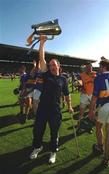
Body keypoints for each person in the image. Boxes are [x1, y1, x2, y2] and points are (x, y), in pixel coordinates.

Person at [30, 36, 74, 164]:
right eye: (50, 65)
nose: (52, 67)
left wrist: (70, 106)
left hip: (55, 109)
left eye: (54, 65)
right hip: (43, 108)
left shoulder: (63, 80)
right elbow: (42, 58)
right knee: (38, 130)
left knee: (54, 132)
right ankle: (38, 147)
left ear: (59, 66)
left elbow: (67, 94)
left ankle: (53, 151)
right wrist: (42, 43)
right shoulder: (46, 74)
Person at [88, 58, 109, 167]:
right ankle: (107, 158)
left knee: (98, 127)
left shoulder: (99, 78)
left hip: (104, 107)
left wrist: (91, 111)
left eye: (101, 66)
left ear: (104, 67)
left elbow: (94, 97)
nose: (99, 68)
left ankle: (100, 146)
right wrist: (107, 60)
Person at [77, 63, 96, 128]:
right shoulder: (81, 75)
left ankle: (90, 125)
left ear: (92, 67)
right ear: (85, 68)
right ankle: (78, 124)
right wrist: (81, 89)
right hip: (84, 95)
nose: (89, 68)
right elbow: (78, 84)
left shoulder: (95, 74)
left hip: (93, 95)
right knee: (81, 111)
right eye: (87, 67)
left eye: (90, 67)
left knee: (92, 110)